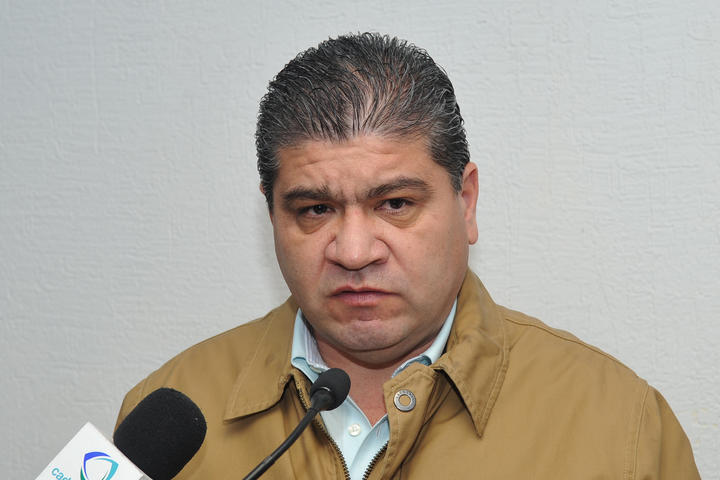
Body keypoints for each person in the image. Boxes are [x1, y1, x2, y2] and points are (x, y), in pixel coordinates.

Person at [116, 33, 699, 479]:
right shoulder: (162, 416)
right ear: (272, 217)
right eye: (315, 210)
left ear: (466, 203)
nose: (353, 252)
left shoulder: (623, 427)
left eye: (395, 204)